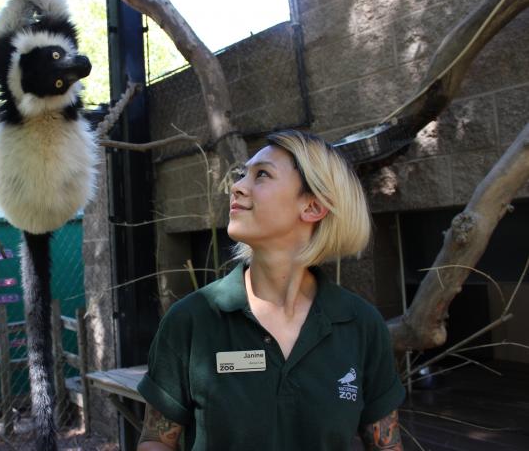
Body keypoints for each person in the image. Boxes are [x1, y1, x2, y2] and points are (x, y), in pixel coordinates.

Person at [137, 130, 406, 450]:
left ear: (312, 207)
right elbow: (156, 441)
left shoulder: (361, 325)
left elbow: (387, 446)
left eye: (261, 174)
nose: (236, 186)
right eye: (241, 175)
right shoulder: (192, 320)